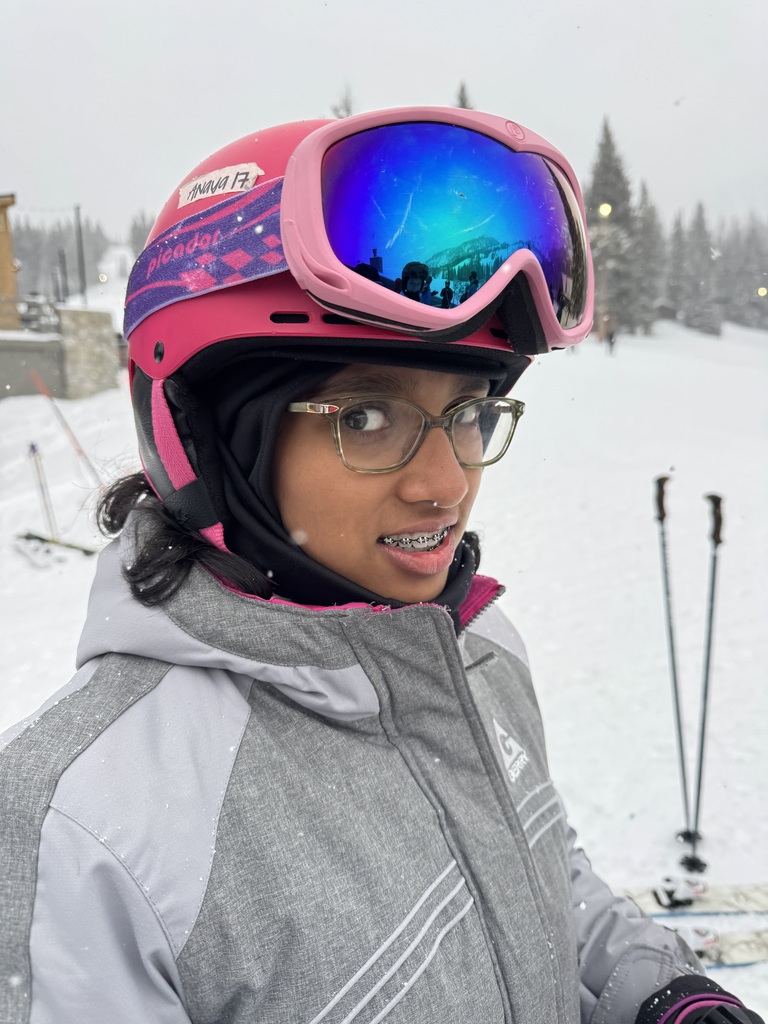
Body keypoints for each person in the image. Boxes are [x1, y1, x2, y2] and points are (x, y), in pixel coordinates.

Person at [0, 107, 761, 1024]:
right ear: (209, 438)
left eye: (471, 413)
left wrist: (660, 994)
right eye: (367, 417)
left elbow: (538, 872)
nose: (446, 485)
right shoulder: (82, 827)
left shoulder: (470, 652)